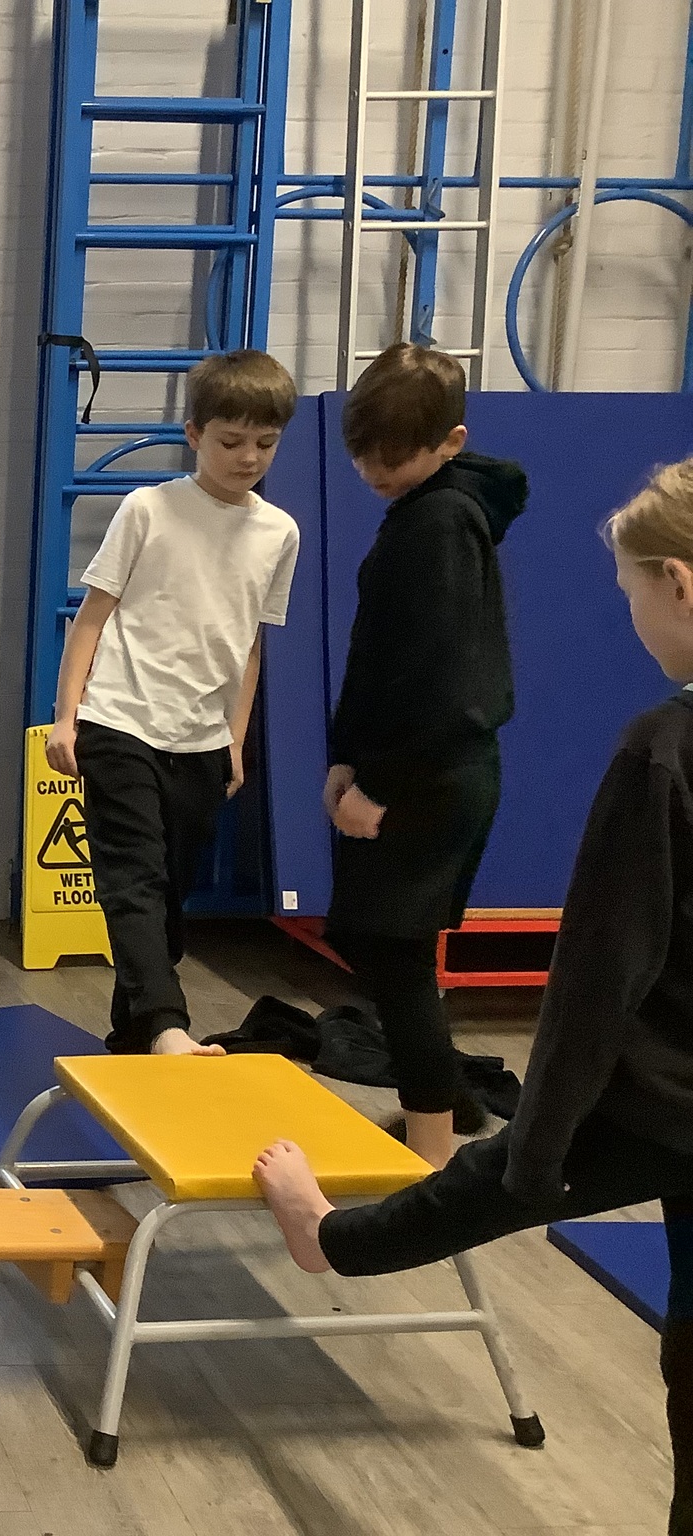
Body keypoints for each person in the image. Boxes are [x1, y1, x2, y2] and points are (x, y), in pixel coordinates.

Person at [256, 456, 693, 1533]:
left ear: (676, 585)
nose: (632, 615)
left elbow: (598, 976)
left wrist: (538, 1149)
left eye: (629, 592)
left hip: (670, 1104)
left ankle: (328, 1237)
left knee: (499, 1176)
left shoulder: (663, 753)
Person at [47, 350, 301, 1056]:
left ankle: (133, 1037)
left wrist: (235, 739)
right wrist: (67, 717)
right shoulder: (149, 509)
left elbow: (250, 646)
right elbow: (91, 619)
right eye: (231, 441)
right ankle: (166, 1025)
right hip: (120, 721)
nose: (248, 457)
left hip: (202, 741)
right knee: (133, 881)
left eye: (265, 443)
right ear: (194, 434)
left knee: (166, 902)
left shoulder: (279, 532)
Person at [325, 343, 529, 1167]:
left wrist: (377, 784)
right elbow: (379, 653)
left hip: (433, 773)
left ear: (450, 443)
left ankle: (434, 1159)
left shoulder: (441, 521)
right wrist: (346, 757)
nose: (375, 472)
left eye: (395, 457)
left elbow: (434, 675)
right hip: (424, 764)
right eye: (364, 455)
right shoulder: (429, 506)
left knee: (393, 950)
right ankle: (450, 1104)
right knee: (373, 941)